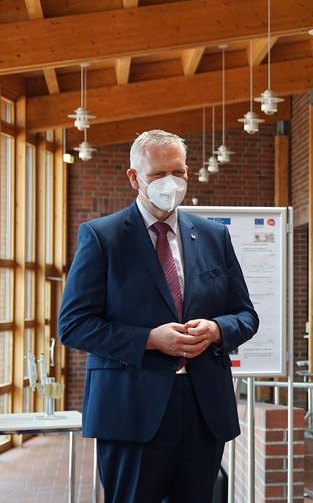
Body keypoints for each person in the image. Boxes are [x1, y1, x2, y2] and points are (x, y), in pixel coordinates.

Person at [58, 130, 258, 503]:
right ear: (134, 178)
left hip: (203, 410)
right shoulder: (103, 237)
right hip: (131, 411)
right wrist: (149, 338)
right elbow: (73, 324)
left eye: (179, 172)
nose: (172, 183)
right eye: (158, 175)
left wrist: (216, 329)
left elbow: (246, 315)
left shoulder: (213, 236)